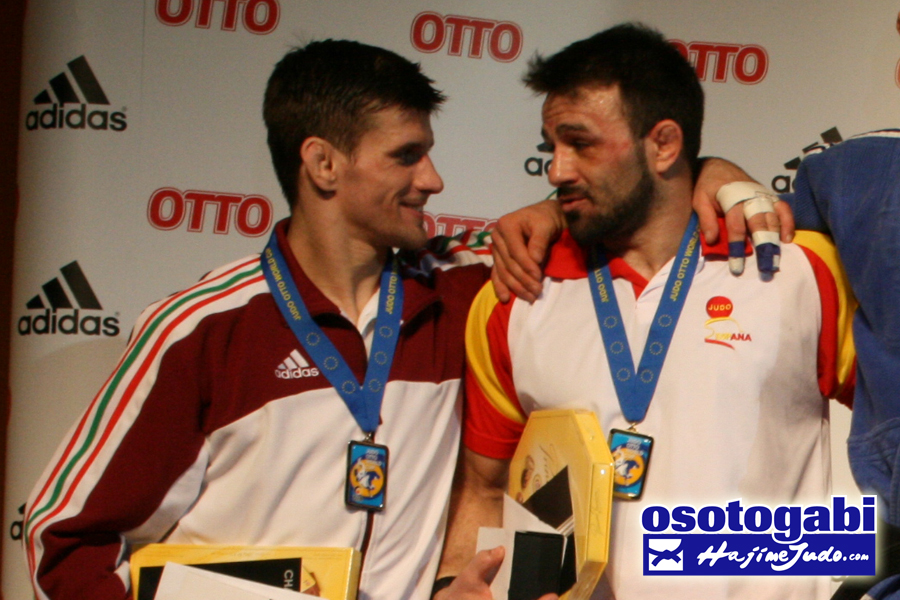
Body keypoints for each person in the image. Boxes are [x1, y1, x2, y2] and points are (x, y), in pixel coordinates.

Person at [21, 39, 534, 600]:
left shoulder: (458, 287)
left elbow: (580, 221)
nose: (432, 180)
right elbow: (63, 542)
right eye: (406, 156)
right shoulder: (203, 330)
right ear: (323, 163)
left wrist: (549, 211)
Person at [444, 23, 856, 600]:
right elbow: (482, 487)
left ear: (663, 144)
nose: (556, 170)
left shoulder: (796, 271)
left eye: (580, 143)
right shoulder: (517, 290)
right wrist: (451, 583)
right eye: (551, 148)